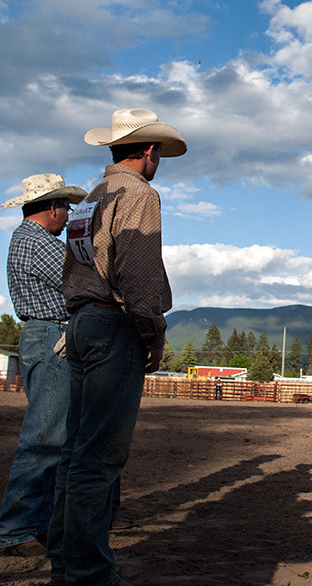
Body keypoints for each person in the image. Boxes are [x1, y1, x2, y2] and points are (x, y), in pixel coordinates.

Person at [46, 108, 186, 586]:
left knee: (74, 451)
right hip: (114, 322)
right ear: (148, 151)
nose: (158, 160)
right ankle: (88, 573)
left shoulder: (92, 197)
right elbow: (139, 273)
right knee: (99, 457)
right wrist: (153, 332)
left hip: (82, 320)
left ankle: (66, 564)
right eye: (158, 153)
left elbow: (78, 265)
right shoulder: (139, 195)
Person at [0, 175, 86, 558]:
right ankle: (15, 528)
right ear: (52, 207)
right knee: (46, 437)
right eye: (65, 208)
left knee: (50, 433)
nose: (67, 215)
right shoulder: (41, 243)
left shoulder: (23, 239)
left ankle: (34, 523)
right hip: (53, 338)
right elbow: (83, 279)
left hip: (40, 336)